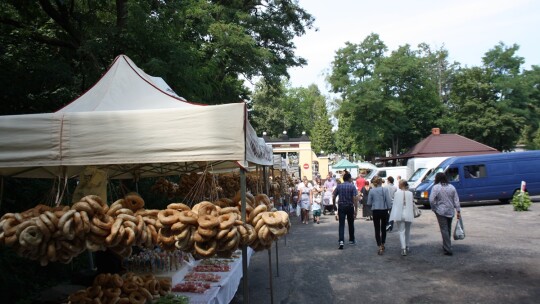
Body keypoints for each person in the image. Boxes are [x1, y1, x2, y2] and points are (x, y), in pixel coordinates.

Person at [429, 172, 461, 256]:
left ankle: (448, 248)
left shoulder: (436, 187)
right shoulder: (452, 187)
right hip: (450, 210)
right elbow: (456, 200)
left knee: (444, 229)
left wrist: (434, 208)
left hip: (441, 211)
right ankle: (447, 245)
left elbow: (431, 200)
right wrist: (458, 211)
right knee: (448, 228)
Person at [367, 176, 392, 255]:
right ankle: (383, 243)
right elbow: (388, 201)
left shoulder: (372, 191)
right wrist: (389, 208)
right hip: (384, 210)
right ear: (381, 182)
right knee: (383, 228)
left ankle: (379, 245)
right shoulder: (385, 190)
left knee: (377, 229)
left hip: (376, 211)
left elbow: (369, 203)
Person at [332, 172, 358, 249]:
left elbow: (333, 196)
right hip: (350, 206)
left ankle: (341, 241)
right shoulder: (352, 186)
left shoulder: (339, 186)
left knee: (341, 224)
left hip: (341, 207)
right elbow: (355, 199)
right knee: (351, 223)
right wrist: (356, 209)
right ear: (349, 178)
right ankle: (351, 240)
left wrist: (334, 205)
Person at [389, 180, 414, 256]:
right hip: (408, 213)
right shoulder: (410, 193)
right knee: (408, 231)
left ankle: (403, 248)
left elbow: (395, 205)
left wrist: (394, 215)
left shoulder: (397, 193)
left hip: (400, 213)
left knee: (401, 231)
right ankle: (407, 246)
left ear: (401, 185)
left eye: (399, 184)